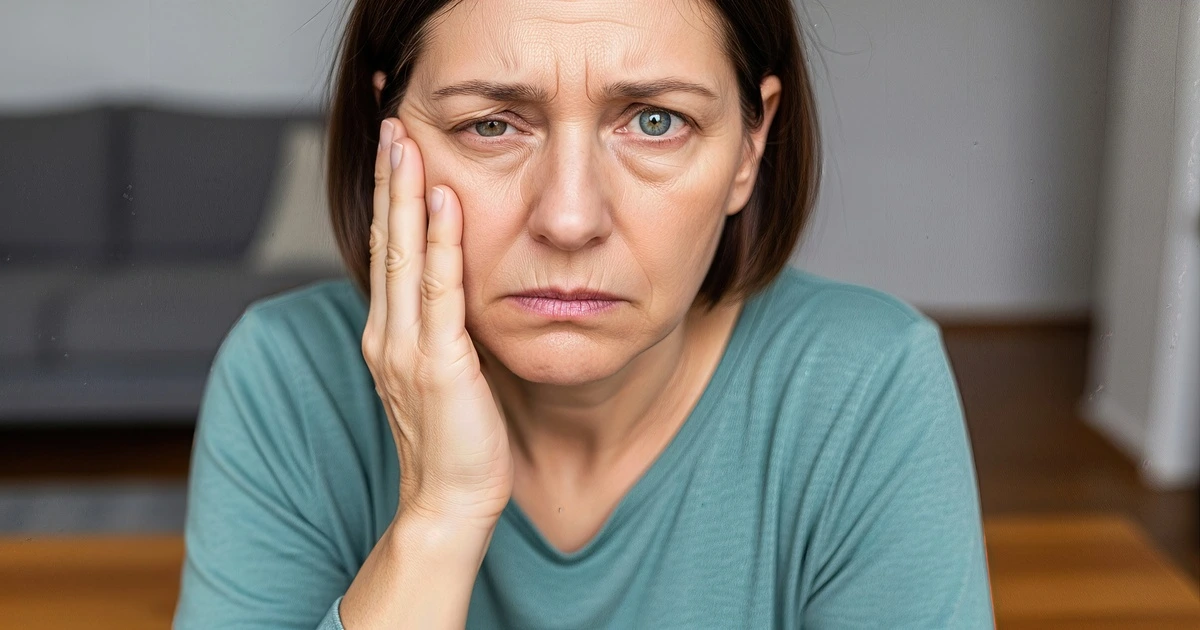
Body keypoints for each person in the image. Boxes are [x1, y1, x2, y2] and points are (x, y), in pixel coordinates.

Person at [173, 0, 995, 627]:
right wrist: (437, 518)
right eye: (491, 124)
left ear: (751, 145)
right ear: (390, 134)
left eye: (656, 121)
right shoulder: (287, 377)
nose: (569, 219)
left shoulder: (869, 385)